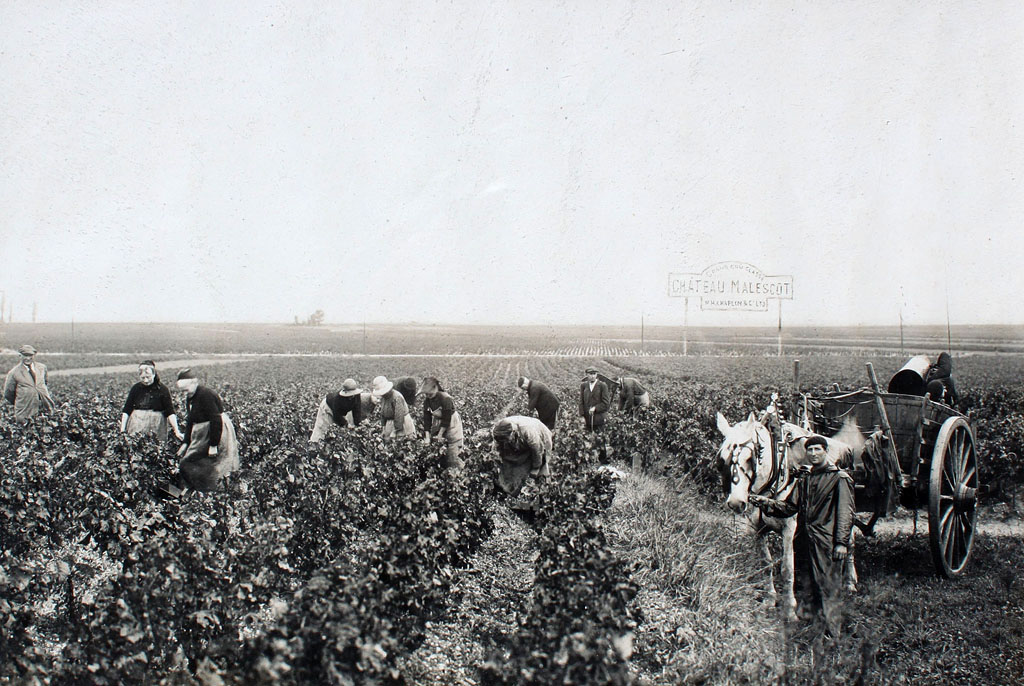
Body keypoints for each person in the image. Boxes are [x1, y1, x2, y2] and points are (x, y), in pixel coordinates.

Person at [751, 434, 854, 634]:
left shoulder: (839, 478)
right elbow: (789, 507)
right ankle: (812, 630)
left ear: (826, 452)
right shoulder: (805, 480)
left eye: (818, 449)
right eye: (810, 450)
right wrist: (765, 503)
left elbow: (845, 514)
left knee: (828, 586)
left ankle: (832, 635)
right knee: (806, 583)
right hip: (804, 541)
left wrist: (841, 543)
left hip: (828, 542)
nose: (814, 453)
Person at [159, 369, 240, 497]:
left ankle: (212, 493)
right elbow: (190, 420)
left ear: (194, 383)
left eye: (186, 389)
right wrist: (186, 442)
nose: (185, 393)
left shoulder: (206, 395)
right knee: (193, 461)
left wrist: (213, 445)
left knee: (213, 462)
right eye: (183, 391)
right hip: (202, 432)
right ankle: (196, 491)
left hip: (216, 432)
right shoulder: (190, 397)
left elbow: (216, 420)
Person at [119, 360, 183, 442]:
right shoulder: (136, 388)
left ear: (154, 374)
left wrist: (176, 431)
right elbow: (127, 410)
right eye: (143, 378)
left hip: (157, 425)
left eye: (148, 377)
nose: (146, 380)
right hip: (137, 424)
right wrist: (122, 430)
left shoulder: (162, 389)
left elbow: (170, 411)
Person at [491, 415, 553, 496]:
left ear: (513, 433)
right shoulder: (498, 430)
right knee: (513, 461)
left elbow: (537, 450)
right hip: (521, 439)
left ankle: (541, 491)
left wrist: (536, 468)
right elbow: (498, 448)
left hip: (540, 435)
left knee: (540, 467)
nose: (505, 441)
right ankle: (512, 488)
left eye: (506, 439)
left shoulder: (529, 432)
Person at [309, 378, 375, 442]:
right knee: (322, 428)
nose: (352, 396)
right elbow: (336, 416)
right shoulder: (337, 399)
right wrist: (346, 424)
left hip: (338, 411)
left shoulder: (356, 396)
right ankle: (314, 443)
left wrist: (357, 424)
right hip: (327, 408)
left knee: (337, 433)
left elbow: (357, 410)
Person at [421, 377, 465, 469]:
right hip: (438, 422)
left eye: (430, 393)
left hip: (452, 423)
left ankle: (458, 472)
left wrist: (440, 435)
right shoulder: (427, 401)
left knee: (453, 451)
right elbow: (427, 419)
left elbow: (446, 419)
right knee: (440, 453)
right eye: (426, 394)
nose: (428, 395)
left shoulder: (445, 398)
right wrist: (427, 437)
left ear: (436, 388)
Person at [3, 345, 55, 421]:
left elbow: (45, 383)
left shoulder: (42, 368)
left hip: (44, 408)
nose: (28, 358)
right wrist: (22, 402)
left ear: (34, 355)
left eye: (30, 355)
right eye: (25, 355)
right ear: (20, 356)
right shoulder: (14, 373)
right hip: (25, 412)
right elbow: (8, 394)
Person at [370, 375, 416, 440]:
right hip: (390, 422)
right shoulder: (384, 398)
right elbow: (382, 412)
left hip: (402, 423)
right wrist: (383, 428)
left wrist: (395, 430)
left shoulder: (397, 397)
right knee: (387, 441)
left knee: (401, 441)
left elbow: (399, 415)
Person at [579, 366, 610, 432]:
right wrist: (582, 416)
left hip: (599, 419)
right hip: (587, 419)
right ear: (587, 375)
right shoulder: (583, 385)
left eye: (594, 374)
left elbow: (606, 403)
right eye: (590, 374)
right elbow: (581, 401)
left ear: (596, 375)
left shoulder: (602, 385)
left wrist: (595, 408)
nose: (593, 376)